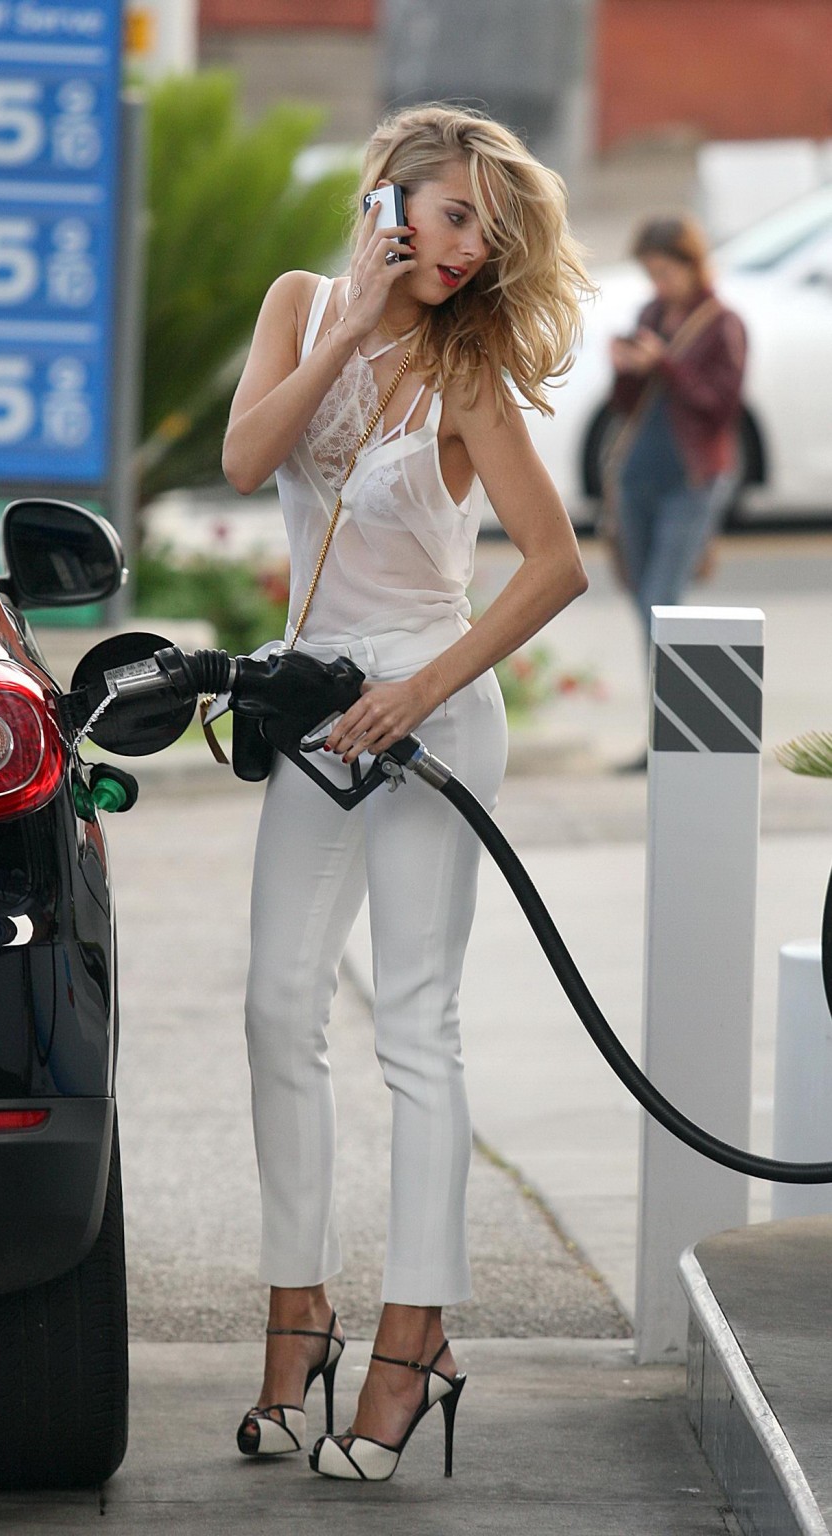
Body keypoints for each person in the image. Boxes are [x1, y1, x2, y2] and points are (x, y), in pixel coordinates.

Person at [220, 102, 590, 1482]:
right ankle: (296, 1311)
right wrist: (344, 324)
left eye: (484, 235)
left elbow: (555, 565)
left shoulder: (468, 369)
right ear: (385, 202)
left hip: (426, 713)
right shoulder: (302, 302)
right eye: (445, 216)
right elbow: (248, 460)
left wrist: (425, 689)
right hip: (316, 708)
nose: (463, 249)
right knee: (274, 1007)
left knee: (415, 1029)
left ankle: (412, 1338)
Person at [607, 214, 747, 653]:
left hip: (690, 478)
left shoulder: (723, 325)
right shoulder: (650, 313)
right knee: (640, 593)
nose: (659, 284)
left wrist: (664, 363)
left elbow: (720, 408)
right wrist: (626, 369)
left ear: (692, 265)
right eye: (651, 274)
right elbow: (625, 405)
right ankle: (661, 694)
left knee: (661, 600)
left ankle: (669, 703)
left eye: (665, 273)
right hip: (637, 473)